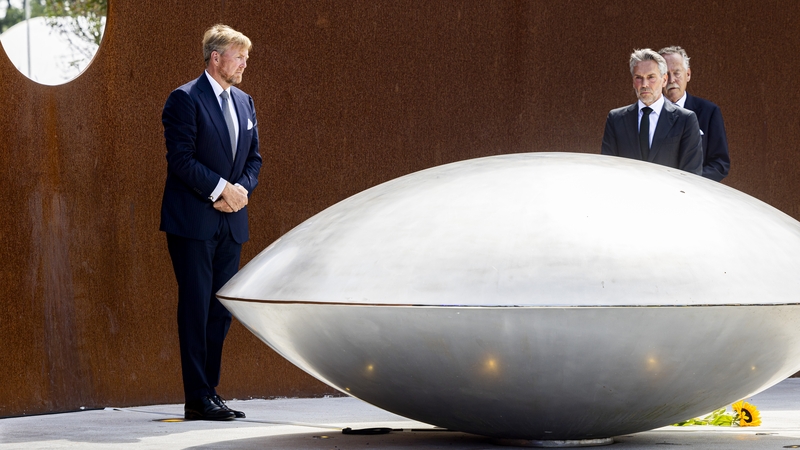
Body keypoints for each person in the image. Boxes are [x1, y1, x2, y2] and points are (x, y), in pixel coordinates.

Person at [160, 24, 262, 421]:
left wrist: (239, 191)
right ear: (216, 57)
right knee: (196, 307)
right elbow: (180, 159)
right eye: (239, 56)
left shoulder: (246, 102)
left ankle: (211, 393)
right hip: (193, 222)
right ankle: (196, 396)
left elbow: (254, 159)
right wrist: (220, 189)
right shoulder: (183, 99)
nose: (244, 63)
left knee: (220, 310)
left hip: (232, 221)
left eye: (246, 57)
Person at [601, 48, 703, 175]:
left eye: (651, 77)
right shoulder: (616, 119)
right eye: (639, 77)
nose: (644, 84)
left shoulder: (685, 120)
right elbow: (608, 169)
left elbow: (691, 174)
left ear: (664, 80)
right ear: (633, 82)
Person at [658, 46, 730, 181]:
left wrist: (690, 181)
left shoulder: (709, 112)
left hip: (695, 194)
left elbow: (720, 164)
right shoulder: (648, 113)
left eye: (677, 73)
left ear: (688, 74)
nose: (672, 80)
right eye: (666, 75)